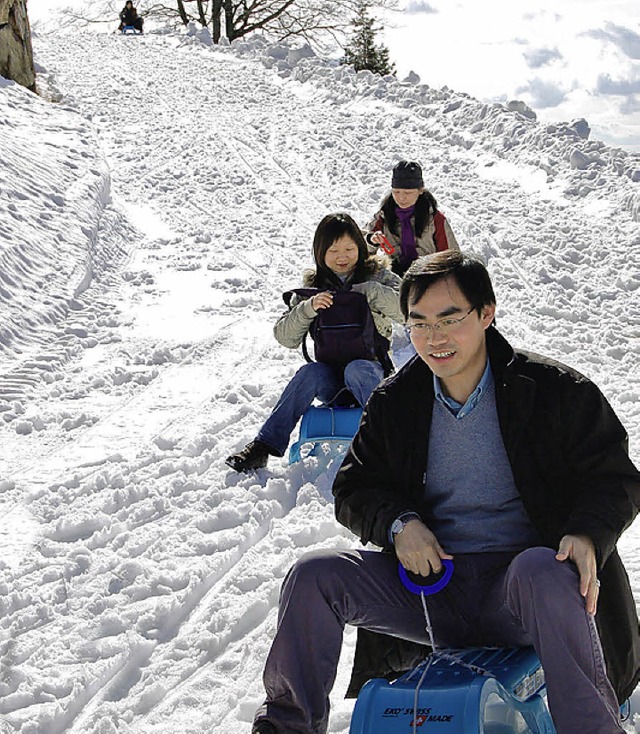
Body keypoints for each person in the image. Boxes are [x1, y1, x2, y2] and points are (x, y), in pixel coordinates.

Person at [251, 250, 640, 734]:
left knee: (546, 567)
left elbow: (613, 476)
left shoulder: (553, 390)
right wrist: (400, 525)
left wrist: (586, 533)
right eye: (419, 323)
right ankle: (288, 726)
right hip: (431, 588)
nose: (434, 338)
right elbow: (354, 486)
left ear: (486, 314)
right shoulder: (396, 401)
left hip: (521, 591)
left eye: (449, 319)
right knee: (315, 575)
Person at [225, 213, 403, 473]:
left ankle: (393, 446)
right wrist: (308, 308)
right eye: (333, 250)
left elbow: (410, 311)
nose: (342, 257)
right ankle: (263, 446)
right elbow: (284, 337)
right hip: (330, 380)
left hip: (370, 374)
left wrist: (372, 293)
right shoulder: (314, 286)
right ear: (320, 253)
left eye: (349, 249)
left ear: (360, 249)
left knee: (357, 368)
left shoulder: (377, 277)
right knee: (309, 372)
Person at [365, 160, 459, 276]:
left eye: (407, 193)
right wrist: (372, 240)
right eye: (396, 192)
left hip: (428, 273)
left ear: (420, 191)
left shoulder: (435, 220)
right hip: (395, 272)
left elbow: (451, 257)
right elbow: (362, 247)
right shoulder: (384, 215)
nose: (401, 198)